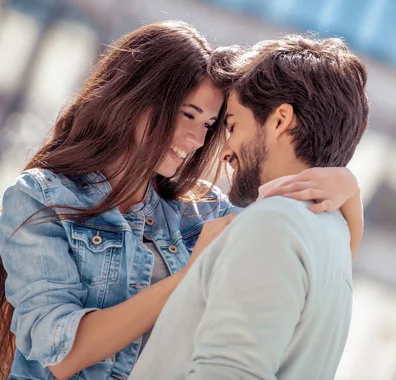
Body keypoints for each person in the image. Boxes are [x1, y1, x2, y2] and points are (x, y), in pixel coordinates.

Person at [0, 21, 364, 380]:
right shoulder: (40, 199)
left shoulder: (205, 209)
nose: (198, 138)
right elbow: (61, 355)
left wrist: (348, 189)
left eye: (209, 125)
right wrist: (190, 276)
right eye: (188, 115)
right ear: (136, 99)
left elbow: (294, 259)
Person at [130, 34, 370, 379]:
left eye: (232, 126)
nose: (224, 150)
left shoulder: (273, 224)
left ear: (279, 120)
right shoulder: (335, 235)